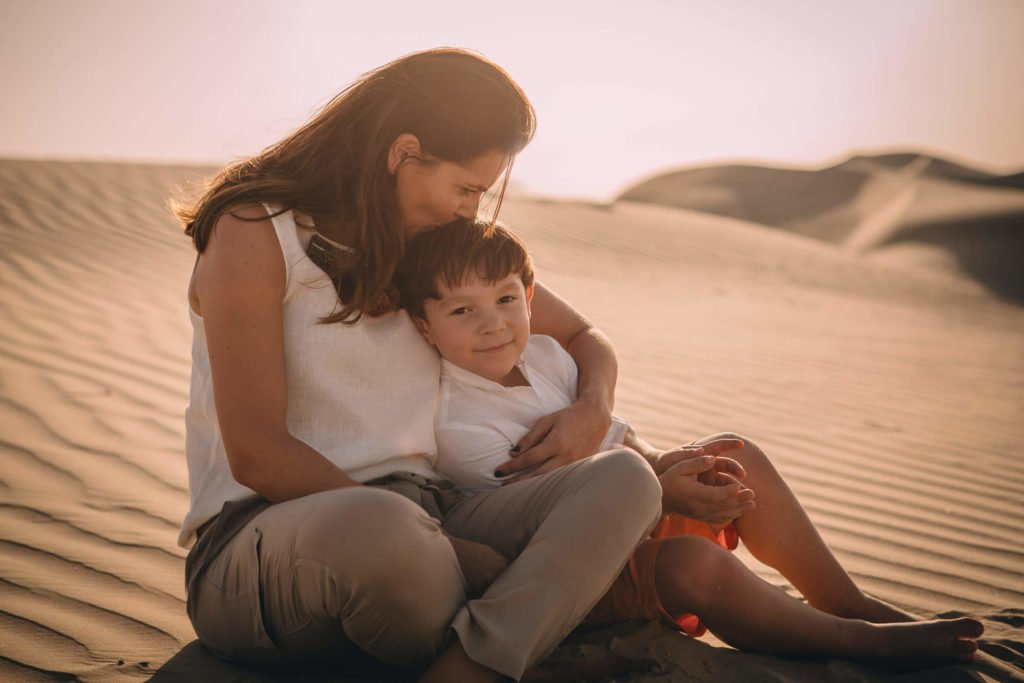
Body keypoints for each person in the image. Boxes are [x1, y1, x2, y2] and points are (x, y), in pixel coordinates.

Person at [174, 48, 669, 683]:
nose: (471, 210)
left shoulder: (424, 244)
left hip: (437, 514)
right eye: (466, 188)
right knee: (384, 531)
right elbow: (258, 453)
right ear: (403, 152)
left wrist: (591, 408)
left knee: (625, 479)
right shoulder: (255, 229)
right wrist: (447, 549)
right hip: (267, 541)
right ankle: (528, 635)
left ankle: (471, 666)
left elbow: (581, 334)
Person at [396, 216, 985, 670]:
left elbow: (617, 436)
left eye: (504, 301)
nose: (493, 324)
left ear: (529, 299)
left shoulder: (548, 355)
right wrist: (663, 491)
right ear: (425, 326)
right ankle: (855, 643)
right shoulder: (460, 424)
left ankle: (848, 602)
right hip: (563, 571)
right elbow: (571, 519)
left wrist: (666, 464)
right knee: (696, 563)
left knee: (734, 457)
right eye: (462, 310)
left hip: (634, 504)